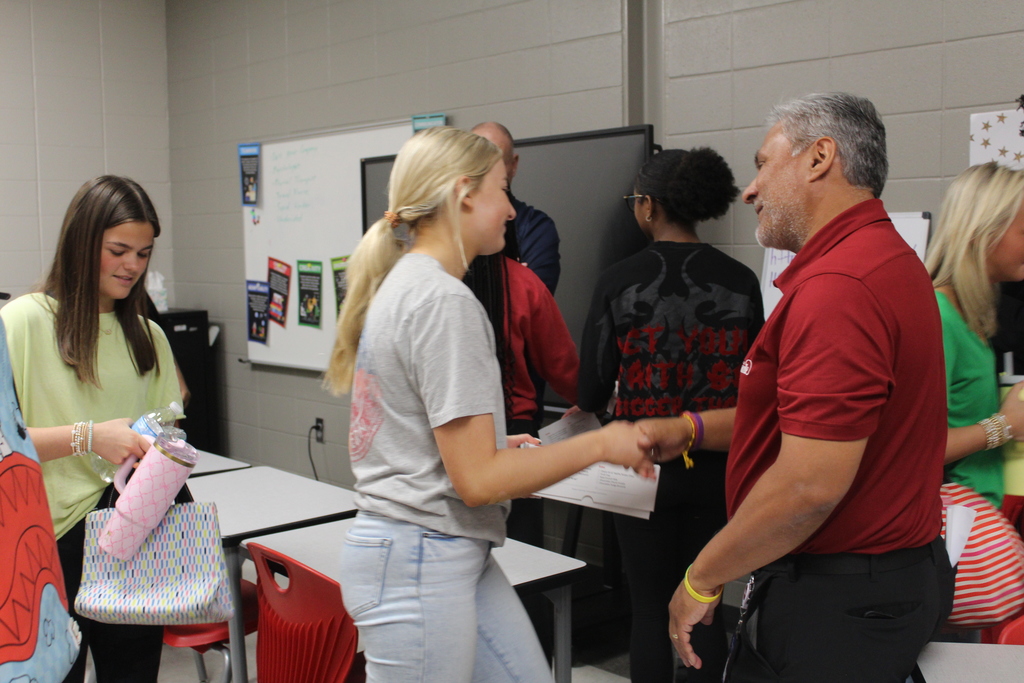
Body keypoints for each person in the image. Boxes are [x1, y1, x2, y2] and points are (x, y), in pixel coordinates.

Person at [636, 93, 958, 681]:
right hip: (873, 584)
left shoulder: (841, 286)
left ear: (819, 158)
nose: (751, 189)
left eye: (763, 163)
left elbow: (810, 483)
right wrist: (692, 428)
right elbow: (812, 418)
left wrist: (701, 578)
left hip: (839, 601)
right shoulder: (882, 259)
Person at [323, 126, 652, 683]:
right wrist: (602, 442)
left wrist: (498, 447)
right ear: (464, 194)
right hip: (419, 554)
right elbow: (478, 481)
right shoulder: (444, 301)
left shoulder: (412, 285)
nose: (509, 211)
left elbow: (440, 448)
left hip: (447, 548)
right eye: (502, 190)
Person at [577, 147, 763, 683]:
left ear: (649, 207)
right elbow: (758, 382)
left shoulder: (618, 279)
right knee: (704, 598)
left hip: (640, 468)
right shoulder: (741, 280)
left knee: (648, 606)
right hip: (717, 465)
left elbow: (590, 390)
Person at [1, 176, 181, 683]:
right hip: (46, 547)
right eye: (119, 250)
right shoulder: (22, 323)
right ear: (82, 244)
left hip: (131, 539)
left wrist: (161, 452)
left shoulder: (149, 337)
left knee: (134, 672)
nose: (132, 266)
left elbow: (168, 434)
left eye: (143, 254)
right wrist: (89, 436)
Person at [926, 162, 1024, 508]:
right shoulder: (938, 317)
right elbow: (911, 449)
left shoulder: (973, 316)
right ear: (985, 231)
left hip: (980, 517)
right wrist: (1005, 425)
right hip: (959, 528)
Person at [471, 122, 560, 294]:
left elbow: (533, 297)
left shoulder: (533, 226)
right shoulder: (453, 224)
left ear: (513, 165)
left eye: (497, 162)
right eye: (478, 163)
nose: (487, 173)